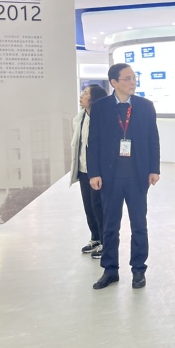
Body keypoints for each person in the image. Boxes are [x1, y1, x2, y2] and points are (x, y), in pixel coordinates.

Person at [87, 64, 160, 290]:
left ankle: (138, 269)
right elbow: (93, 142)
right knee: (110, 226)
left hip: (137, 176)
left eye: (133, 78)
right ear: (114, 82)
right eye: (127, 78)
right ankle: (110, 270)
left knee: (139, 225)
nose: (132, 82)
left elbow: (153, 139)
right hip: (110, 177)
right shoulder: (100, 107)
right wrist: (94, 173)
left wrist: (154, 169)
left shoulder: (145, 106)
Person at [70, 84, 108, 257]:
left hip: (98, 171)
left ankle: (106, 242)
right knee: (89, 206)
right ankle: (96, 238)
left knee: (99, 206)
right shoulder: (81, 117)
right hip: (83, 168)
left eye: (85, 93)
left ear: (94, 99)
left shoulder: (103, 119)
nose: (81, 96)